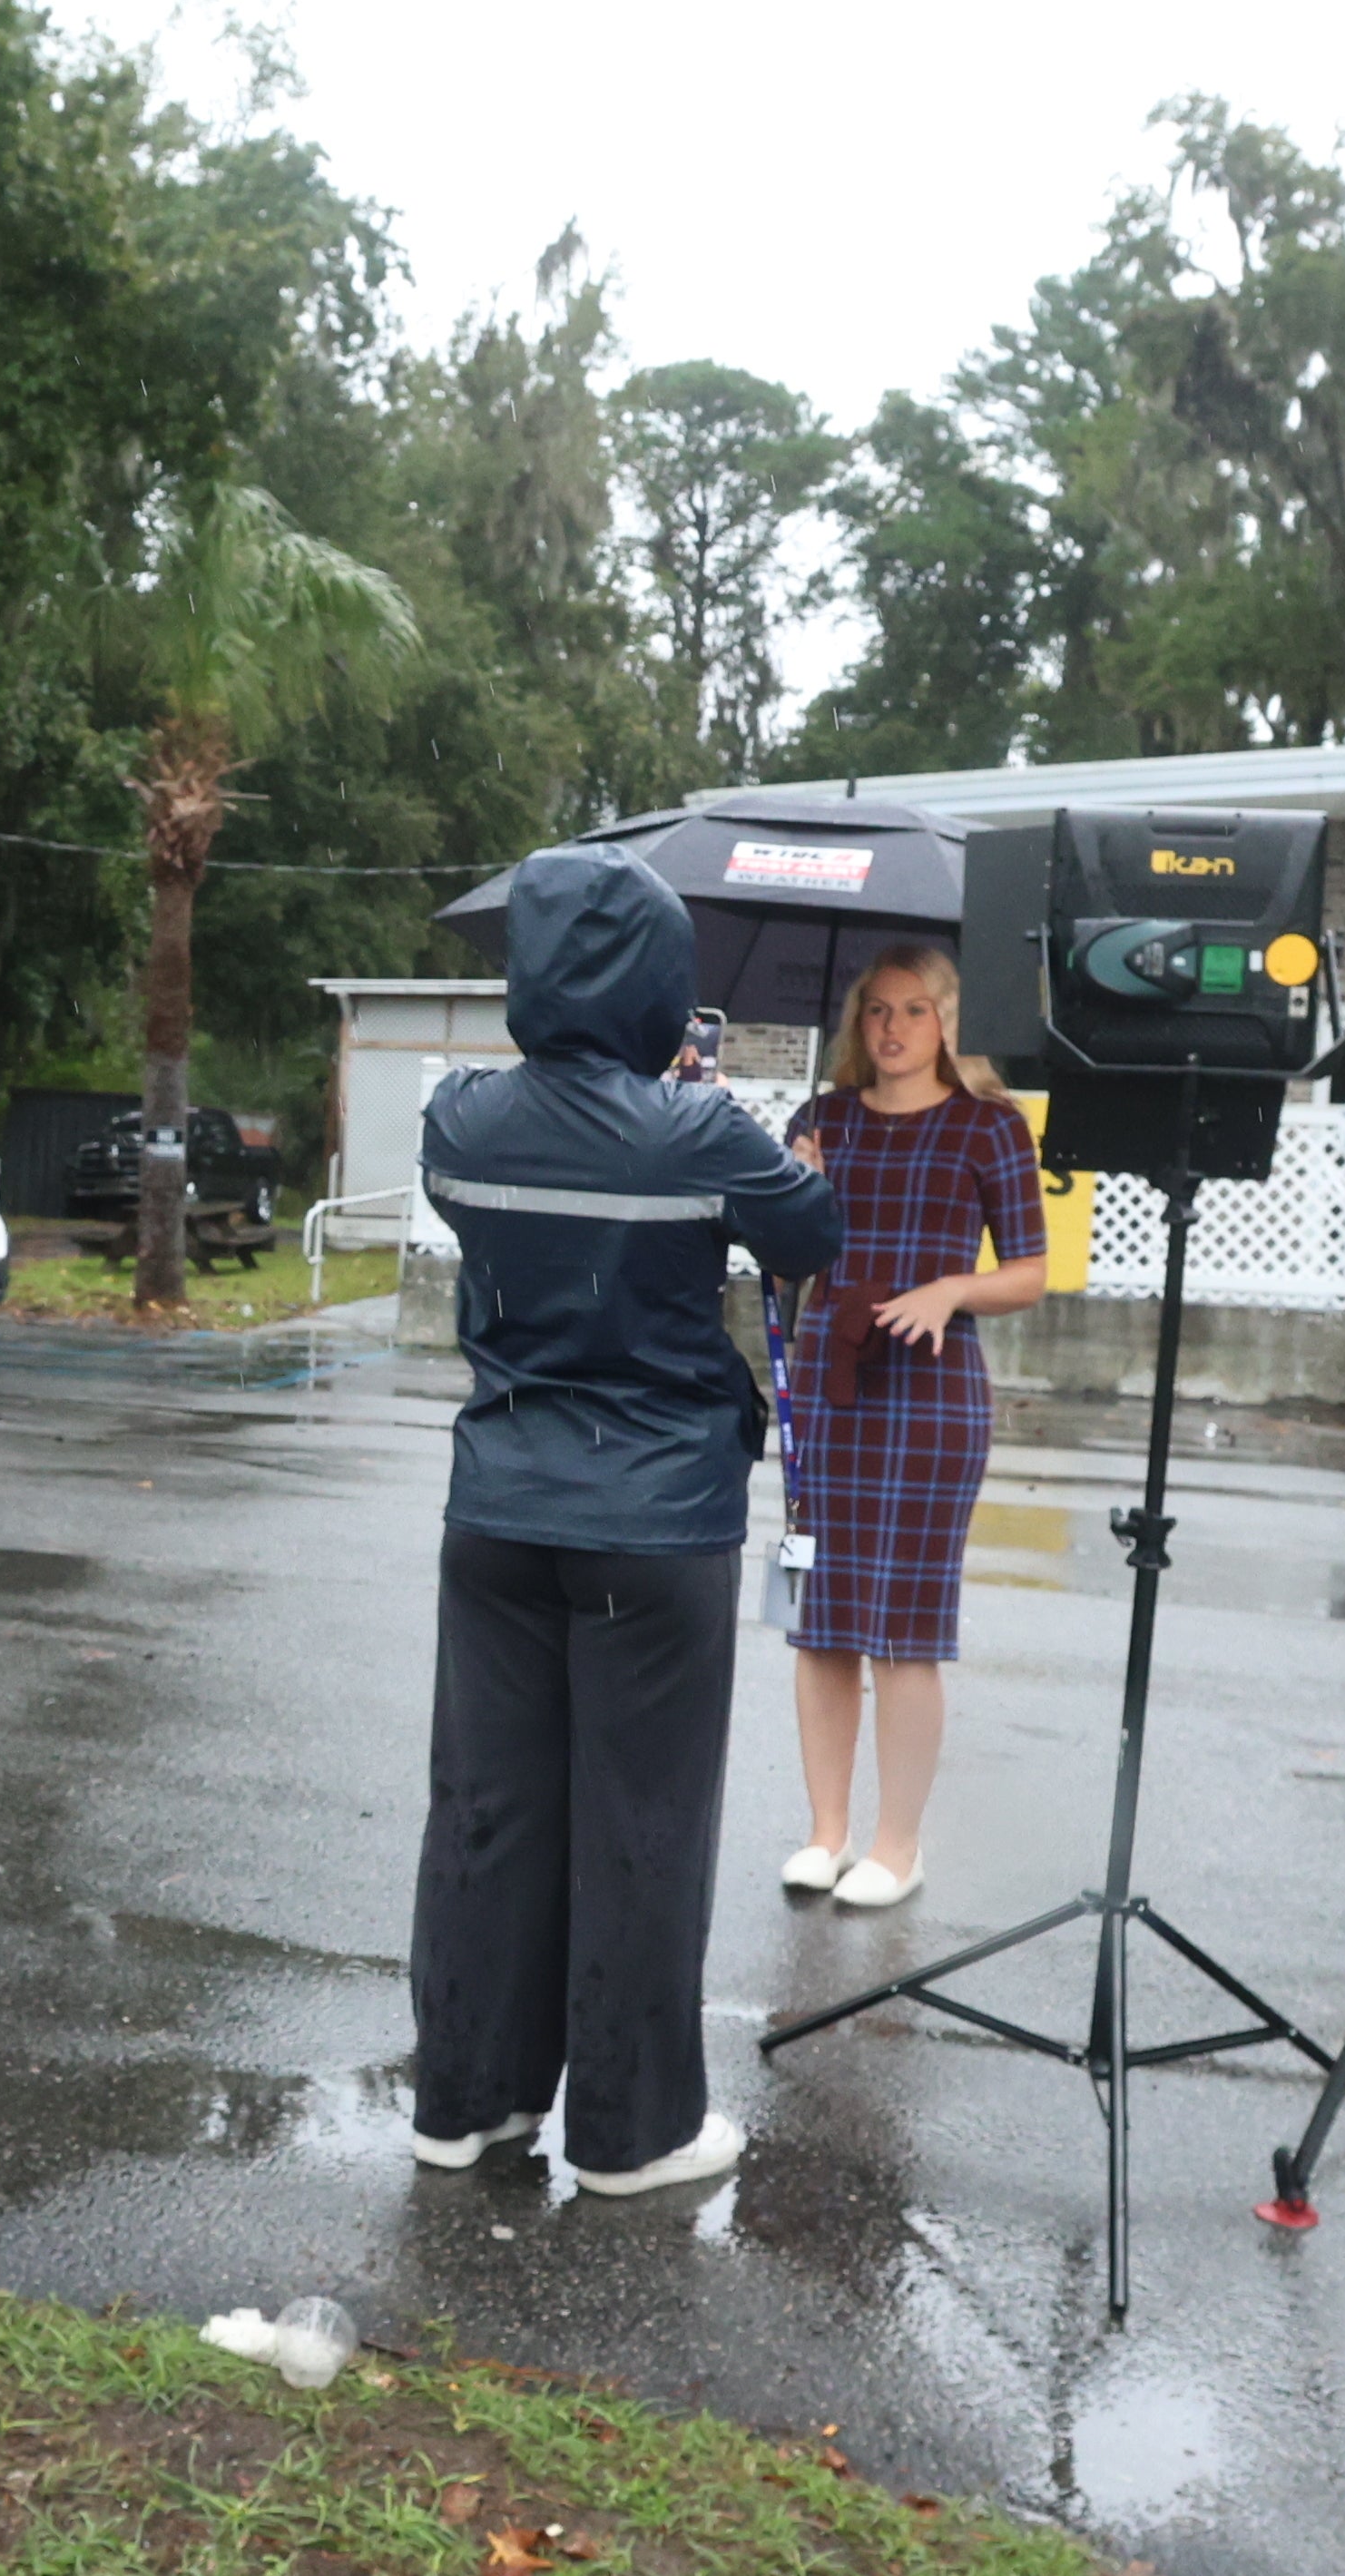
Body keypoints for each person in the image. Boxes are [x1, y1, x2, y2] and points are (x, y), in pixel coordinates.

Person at [405, 847, 840, 2197]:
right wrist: (766, 1142)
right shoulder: (703, 1135)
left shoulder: (458, 1121)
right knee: (642, 1826)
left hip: (498, 1511)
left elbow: (536, 1204)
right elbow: (809, 1234)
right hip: (655, 1527)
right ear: (660, 986)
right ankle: (631, 2134)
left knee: (487, 1810)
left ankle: (463, 2106)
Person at [774, 944, 1048, 1909]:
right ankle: (825, 1833)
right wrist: (789, 1193)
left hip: (932, 1396)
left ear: (948, 1024)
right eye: (878, 1011)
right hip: (829, 1382)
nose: (892, 1029)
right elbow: (778, 1272)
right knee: (821, 1622)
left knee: (904, 1630)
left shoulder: (989, 1129)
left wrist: (951, 1288)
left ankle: (897, 1846)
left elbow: (1029, 1272)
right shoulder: (821, 1122)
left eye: (915, 1011)